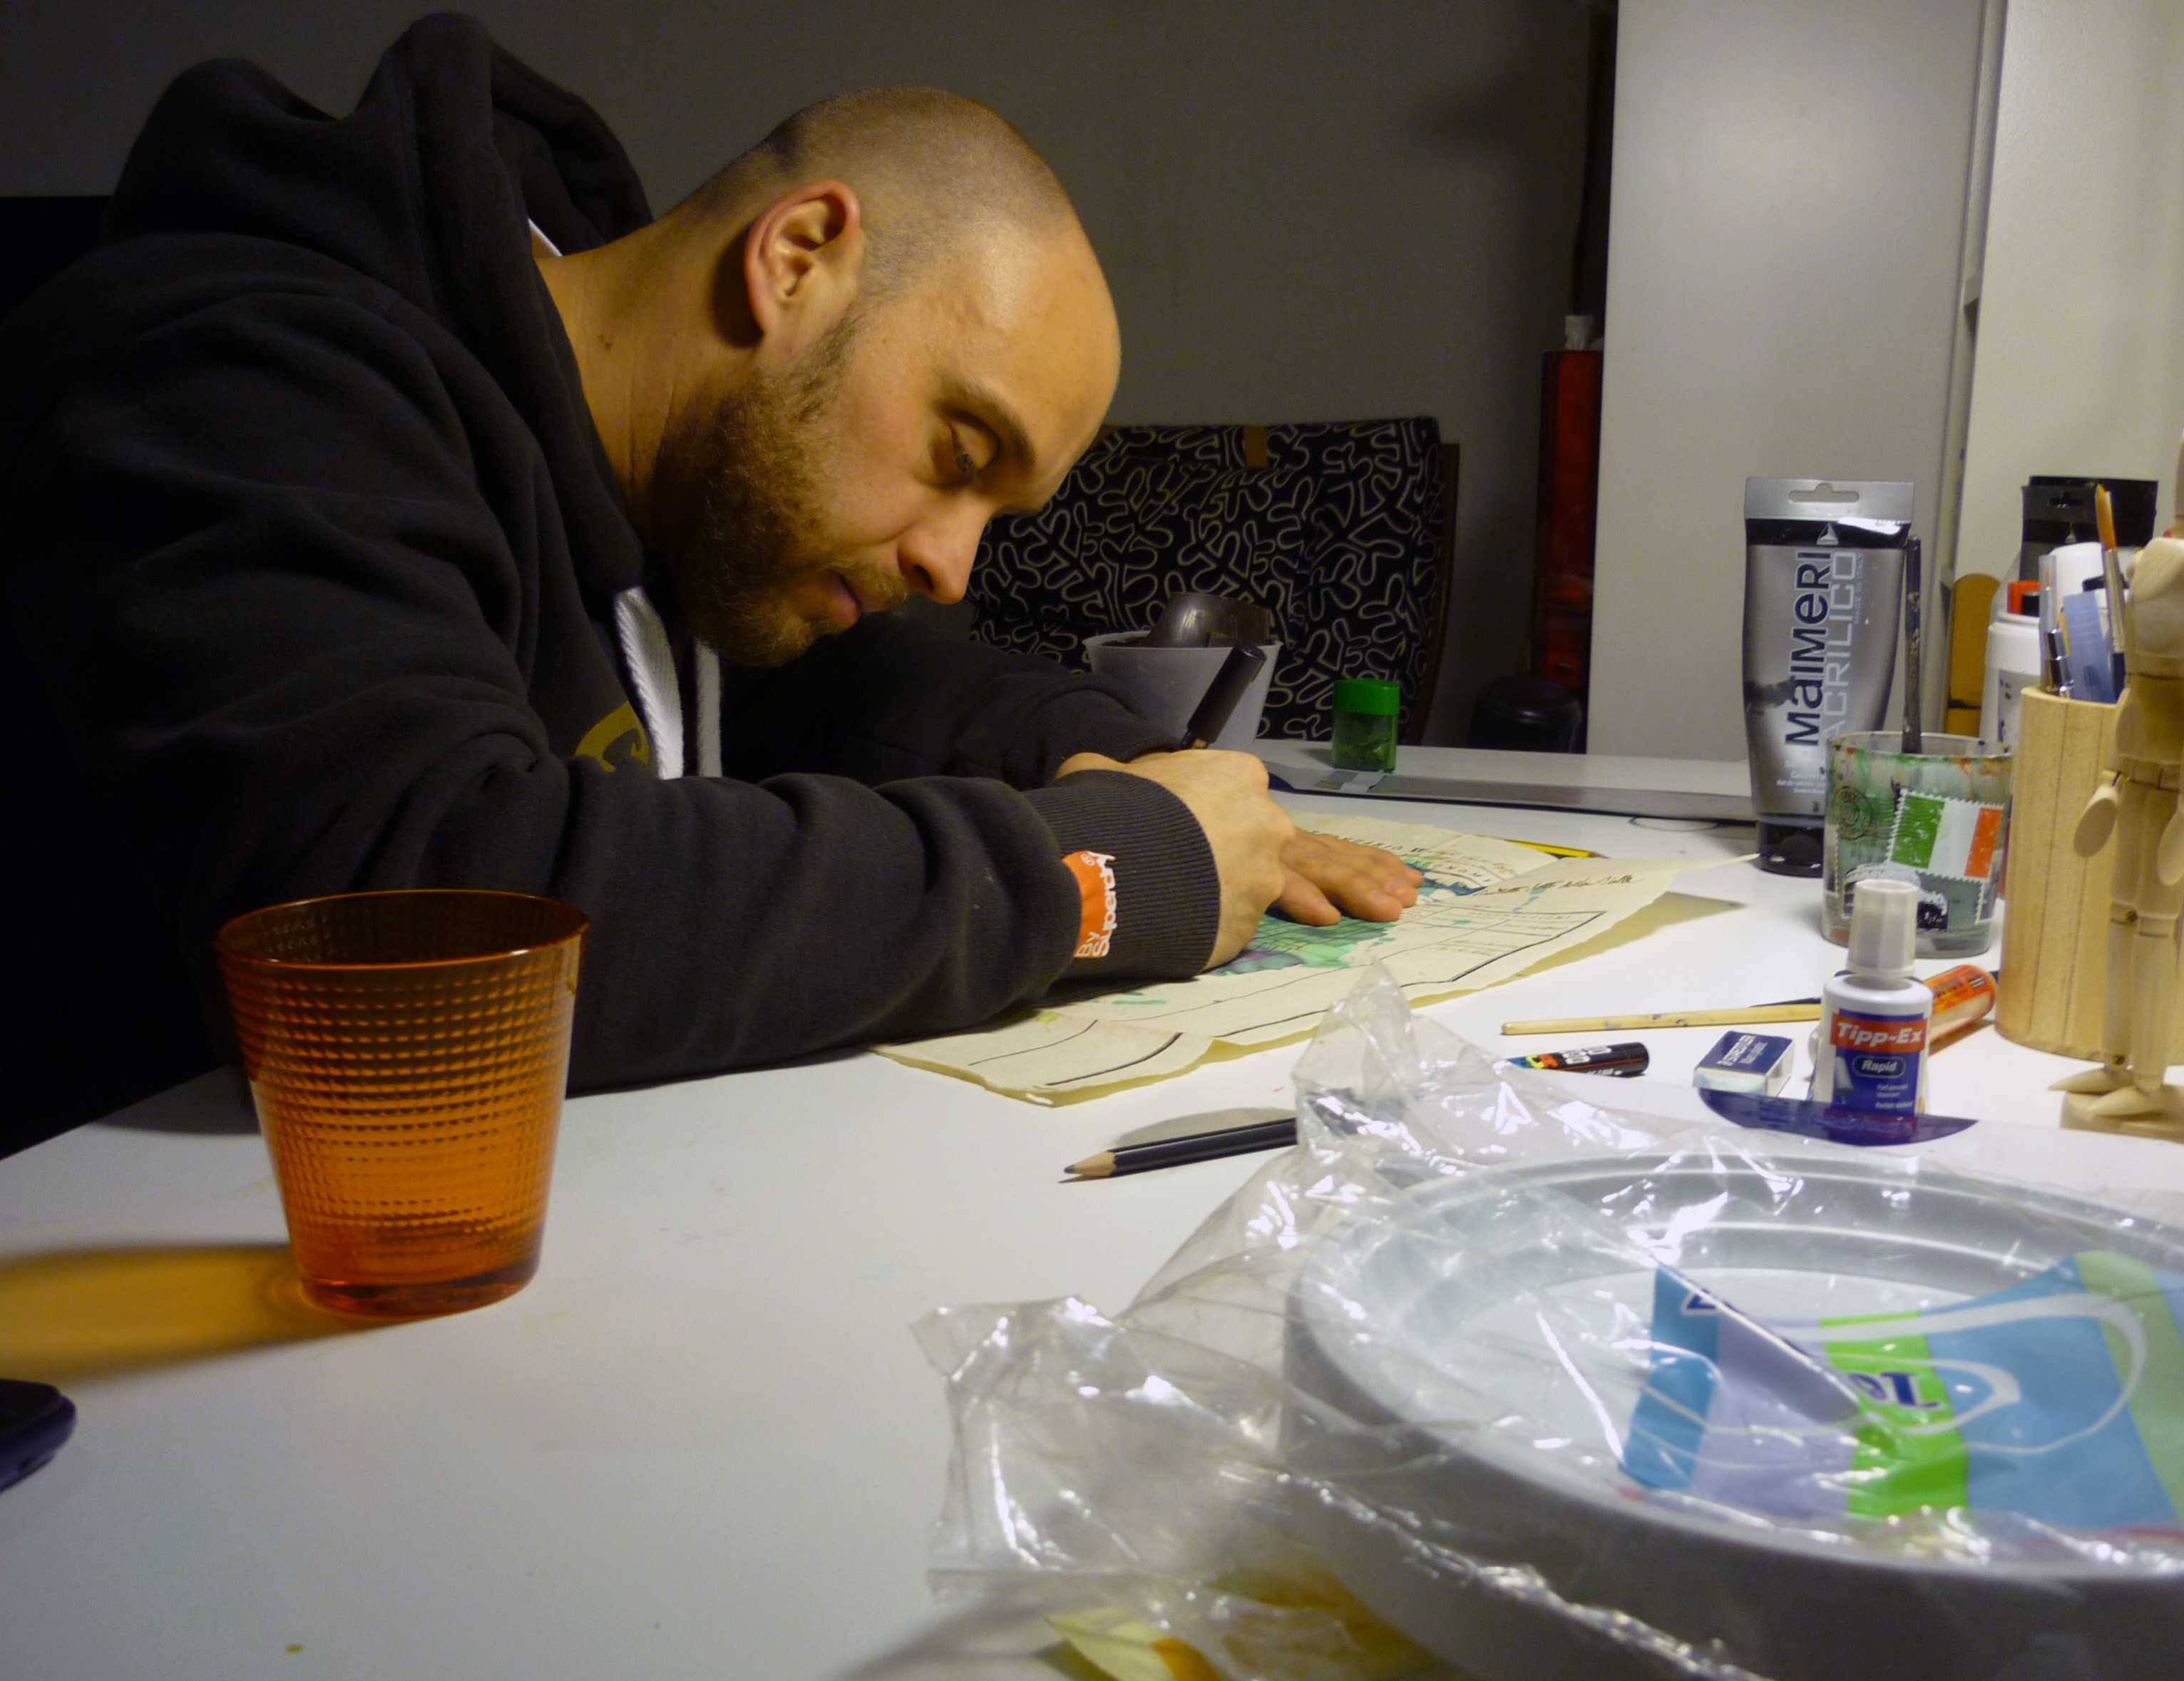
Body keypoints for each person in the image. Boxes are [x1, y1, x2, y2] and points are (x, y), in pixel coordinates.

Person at [0, 14, 1420, 1094]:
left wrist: (1126, 763)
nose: (953, 564)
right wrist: (1096, 873)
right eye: (957, 450)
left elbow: (870, 678)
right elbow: (400, 922)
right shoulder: (240, 370)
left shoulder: (678, 492)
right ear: (796, 260)